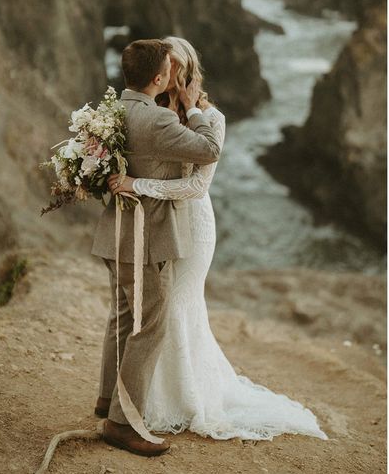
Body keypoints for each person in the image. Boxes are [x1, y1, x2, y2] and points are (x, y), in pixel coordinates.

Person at [108, 36, 329, 443]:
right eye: (163, 65)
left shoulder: (213, 118)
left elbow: (194, 187)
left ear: (183, 72)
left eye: (173, 65)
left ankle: (183, 400)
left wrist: (136, 184)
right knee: (155, 312)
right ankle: (143, 403)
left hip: (192, 222)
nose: (166, 72)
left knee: (175, 305)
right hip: (154, 225)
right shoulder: (151, 112)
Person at [91, 38, 222, 456]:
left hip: (117, 233)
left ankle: (106, 399)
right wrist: (195, 109)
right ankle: (122, 423)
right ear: (160, 76)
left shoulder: (112, 112)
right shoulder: (159, 121)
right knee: (150, 324)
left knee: (125, 317)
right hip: (146, 238)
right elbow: (209, 150)